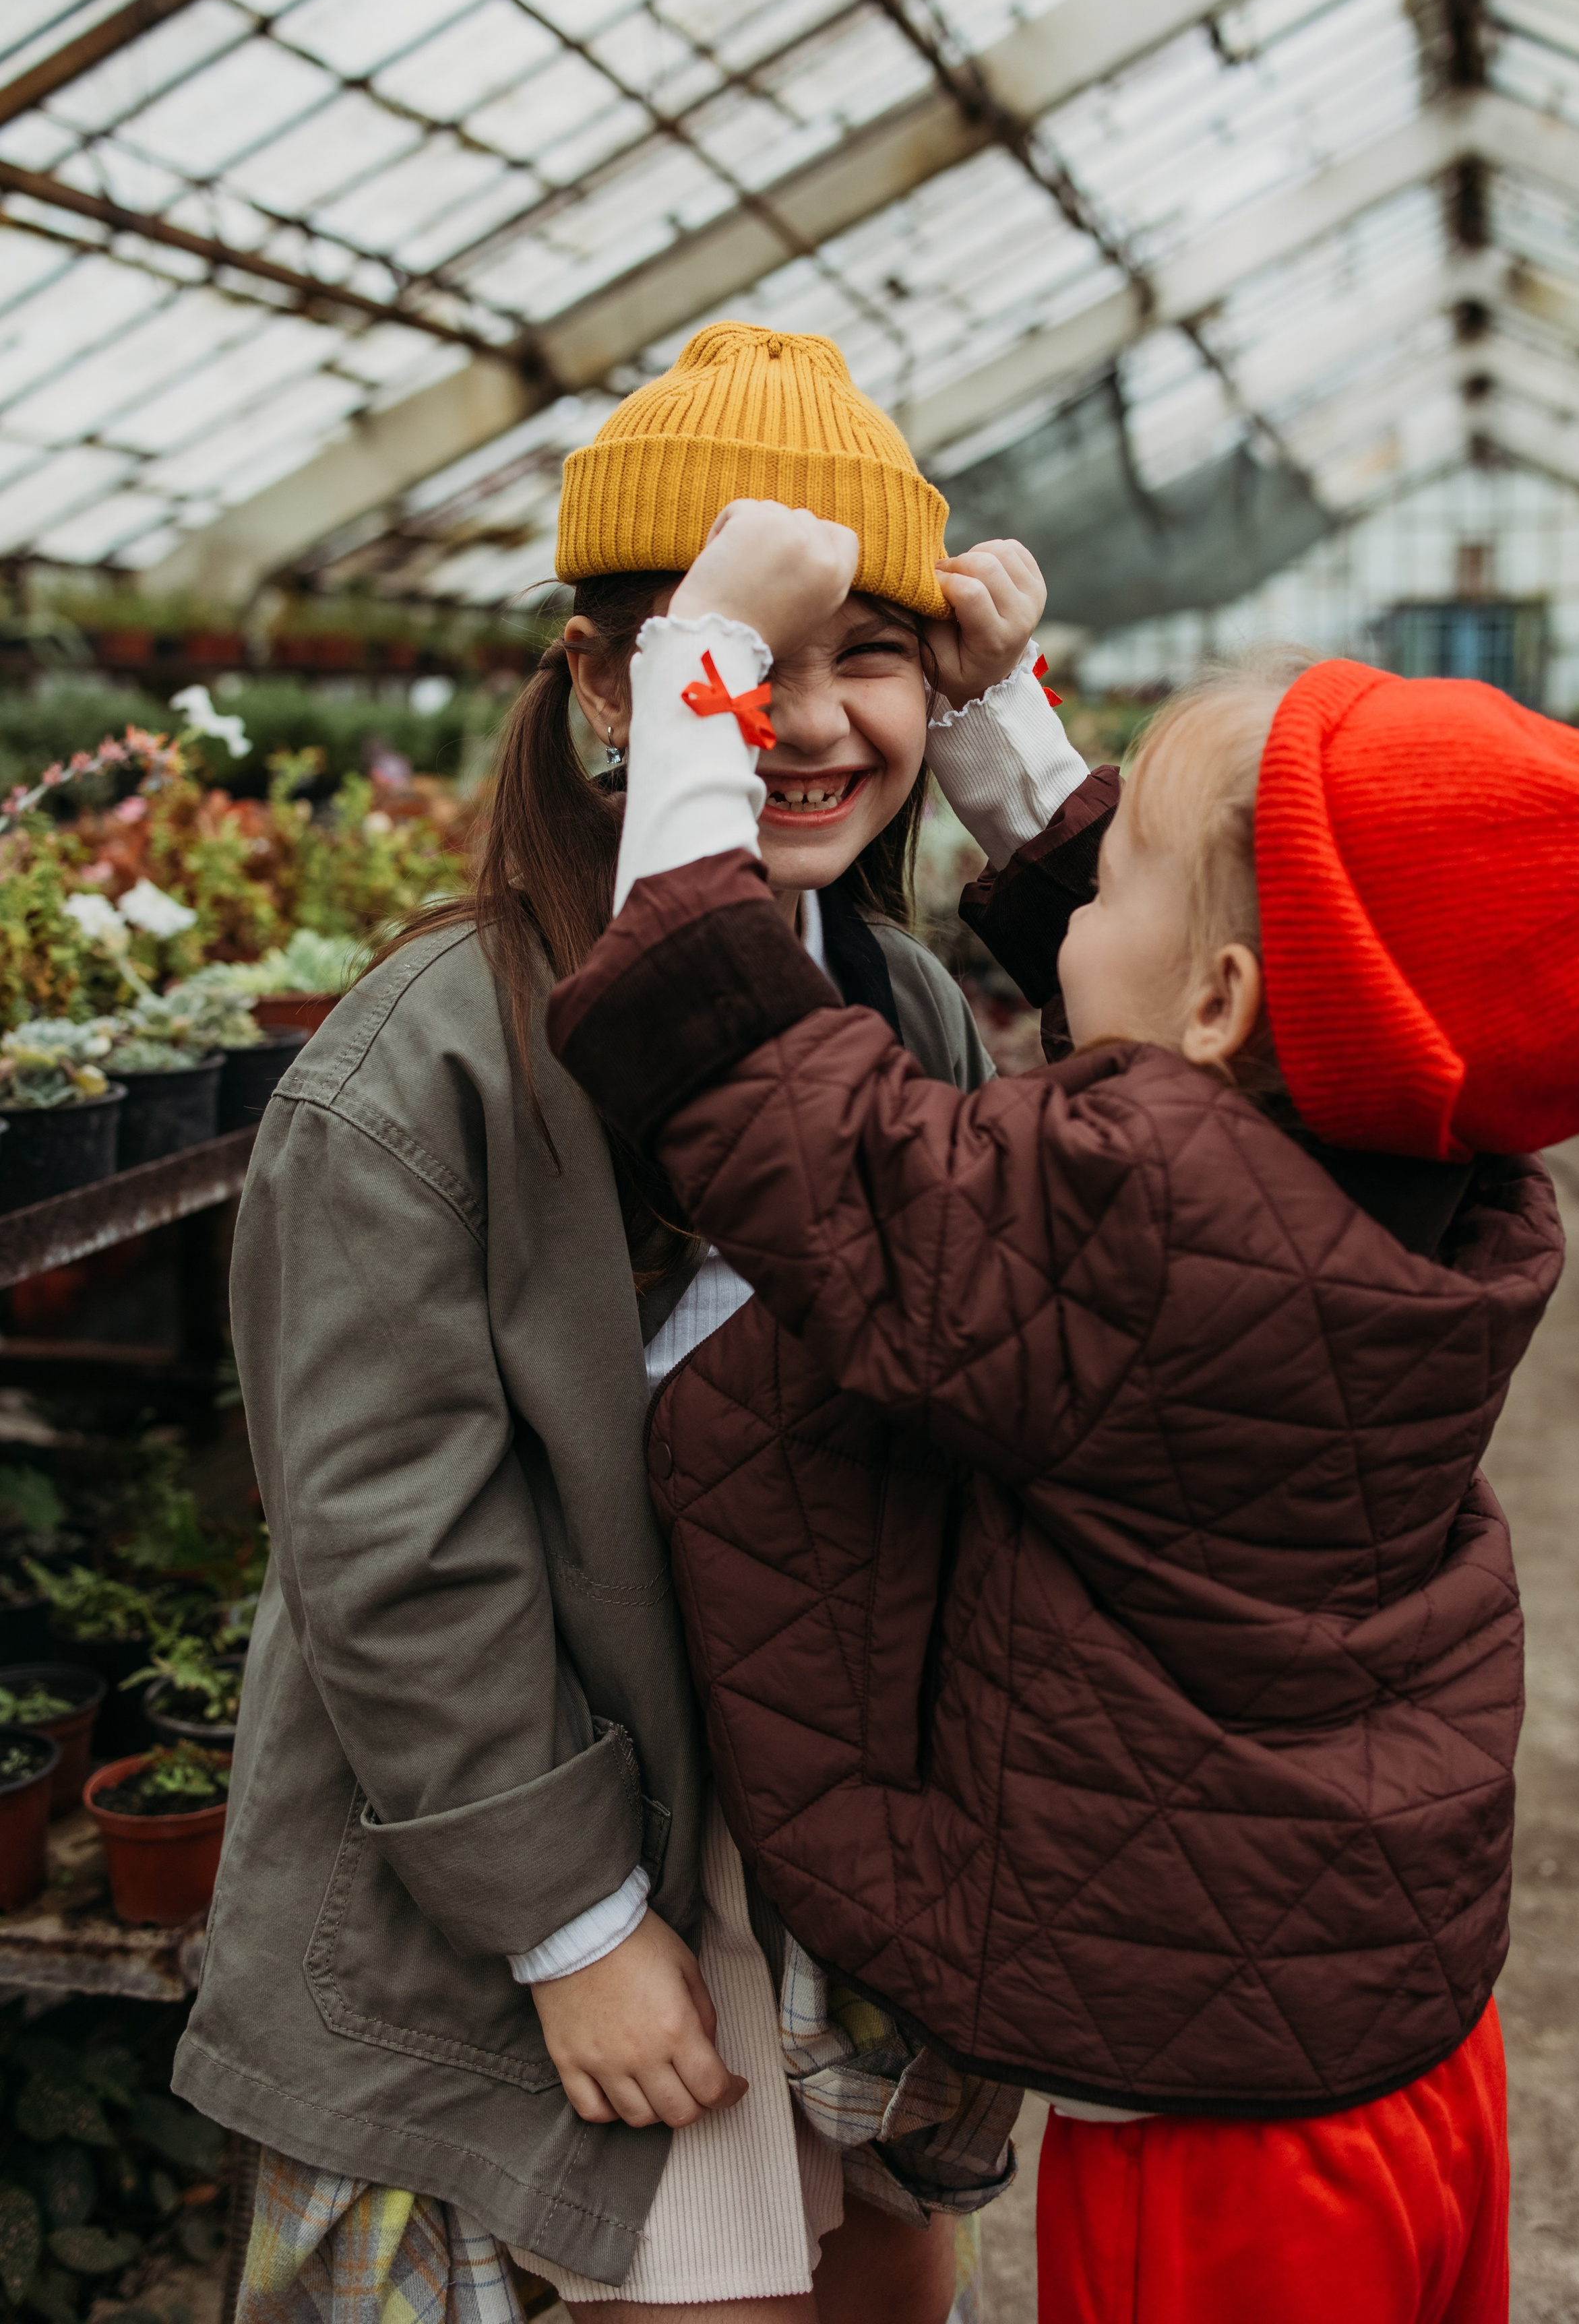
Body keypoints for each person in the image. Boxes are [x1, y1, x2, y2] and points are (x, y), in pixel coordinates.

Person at [547, 497, 1579, 2324]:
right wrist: (1005, 716)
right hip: (1398, 2046)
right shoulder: (1449, 1193)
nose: (1080, 896)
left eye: (1127, 879)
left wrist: (707, 677)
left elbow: (762, 1083)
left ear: (1223, 999)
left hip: (1232, 2157)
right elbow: (1208, 991)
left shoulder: (1132, 1220)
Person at [174, 328, 1033, 2322]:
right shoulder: (430, 1059)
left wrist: (1019, 757)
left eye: (873, 657)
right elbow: (388, 1536)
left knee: (893, 2279)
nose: (810, 723)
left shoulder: (900, 1005)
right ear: (598, 686)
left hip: (832, 1868)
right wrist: (569, 1925)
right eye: (746, 655)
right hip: (563, 1870)